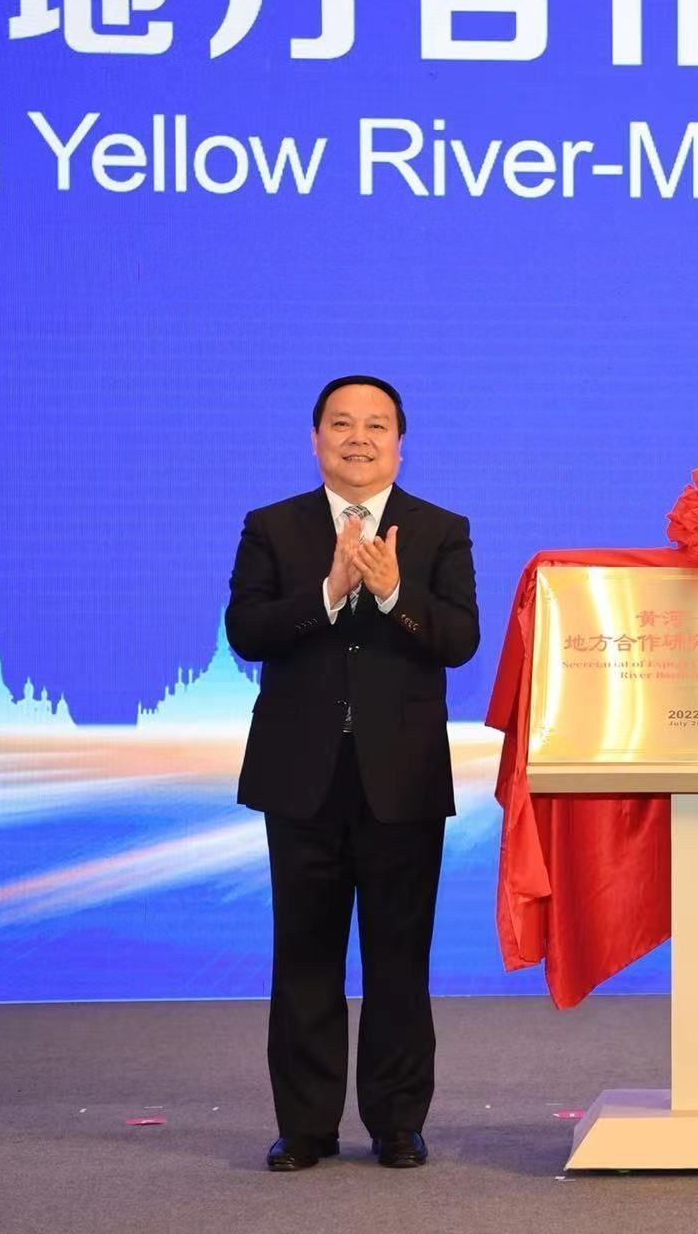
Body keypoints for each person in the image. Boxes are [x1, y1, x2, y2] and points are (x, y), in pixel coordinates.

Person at [226, 375, 479, 1172]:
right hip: (301, 773)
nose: (358, 439)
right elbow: (247, 630)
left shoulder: (439, 530)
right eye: (341, 424)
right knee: (304, 954)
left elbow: (460, 639)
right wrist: (331, 592)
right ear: (316, 440)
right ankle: (305, 1127)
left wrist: (394, 592)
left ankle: (397, 1123)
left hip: (401, 777)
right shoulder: (273, 526)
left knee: (399, 958)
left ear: (400, 442)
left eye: (376, 425)